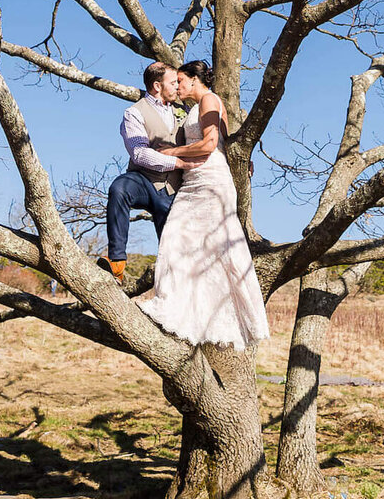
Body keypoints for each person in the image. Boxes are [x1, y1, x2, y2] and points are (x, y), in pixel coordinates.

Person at [143, 59, 269, 350]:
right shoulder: (195, 107)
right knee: (185, 244)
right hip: (194, 179)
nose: (178, 86)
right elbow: (227, 140)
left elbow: (211, 143)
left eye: (181, 81)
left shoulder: (210, 99)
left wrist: (170, 150)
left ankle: (212, 315)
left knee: (210, 248)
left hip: (210, 180)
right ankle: (185, 313)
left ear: (193, 80)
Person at [97, 63, 182, 282]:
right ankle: (116, 263)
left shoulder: (184, 110)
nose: (177, 86)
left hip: (174, 191)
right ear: (157, 86)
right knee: (119, 188)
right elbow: (140, 154)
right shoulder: (134, 113)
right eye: (173, 83)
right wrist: (178, 163)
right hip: (143, 181)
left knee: (172, 254)